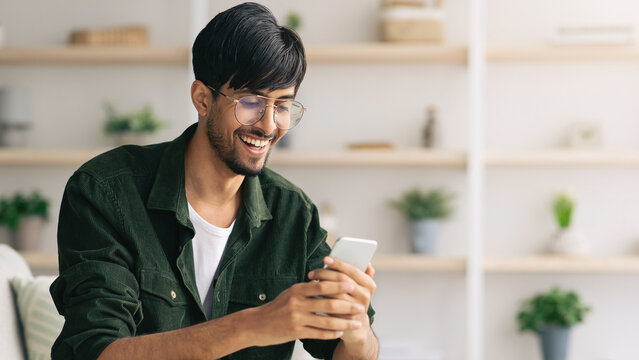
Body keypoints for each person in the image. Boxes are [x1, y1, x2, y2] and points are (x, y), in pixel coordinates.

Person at [50, 2, 378, 359]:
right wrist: (256, 324)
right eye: (251, 101)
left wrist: (357, 331)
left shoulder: (292, 213)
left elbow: (346, 353)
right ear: (202, 99)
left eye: (282, 106)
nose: (268, 126)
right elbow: (97, 351)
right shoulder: (106, 192)